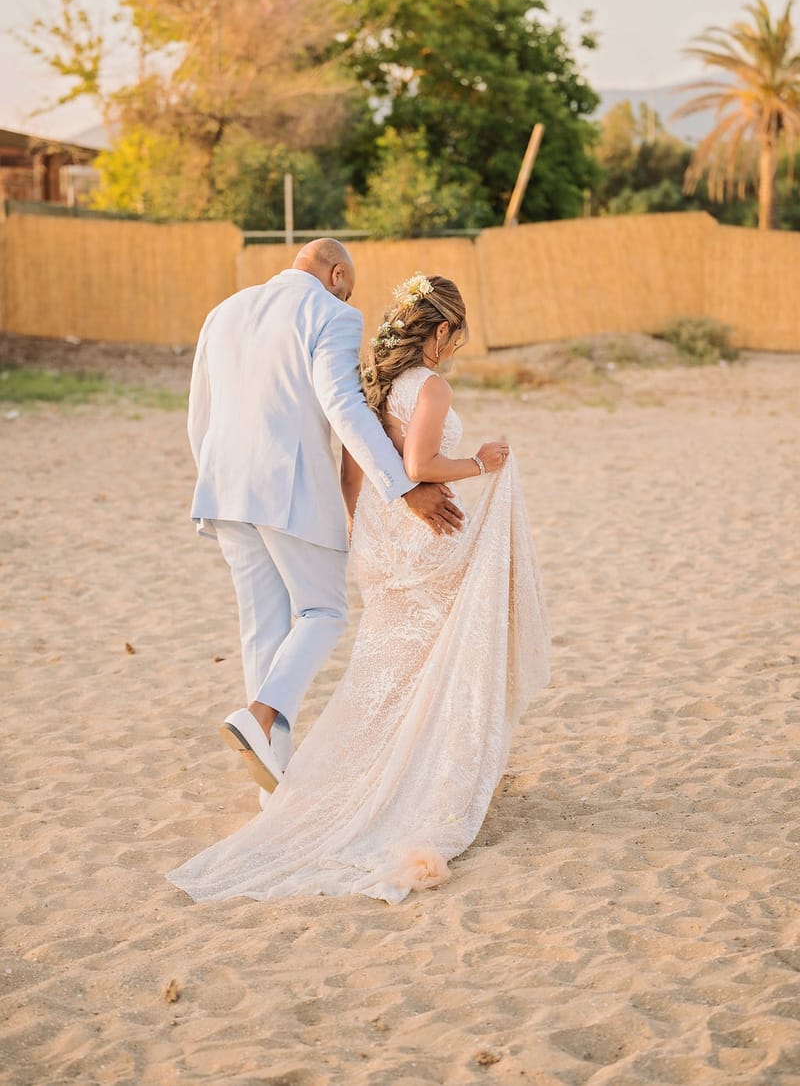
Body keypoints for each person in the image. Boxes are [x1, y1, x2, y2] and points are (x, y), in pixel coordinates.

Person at [168, 271, 551, 904]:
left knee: (385, 663)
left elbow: (353, 470)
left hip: (375, 537)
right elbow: (419, 467)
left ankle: (313, 770)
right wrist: (481, 464)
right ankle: (419, 772)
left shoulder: (374, 389)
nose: (455, 347)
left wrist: (353, 531)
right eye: (455, 334)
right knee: (457, 636)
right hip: (416, 535)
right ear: (442, 329)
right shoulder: (429, 386)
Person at [185, 239, 463, 799]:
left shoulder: (225, 310)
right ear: (337, 274)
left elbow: (201, 414)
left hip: (223, 488)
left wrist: (214, 480)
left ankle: (272, 788)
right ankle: (260, 716)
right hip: (286, 488)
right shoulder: (332, 314)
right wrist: (404, 487)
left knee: (264, 628)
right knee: (325, 612)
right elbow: (343, 406)